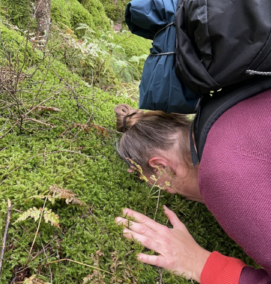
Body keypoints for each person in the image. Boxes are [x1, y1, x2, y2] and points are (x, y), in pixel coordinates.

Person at [113, 90, 271, 284]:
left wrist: (199, 263)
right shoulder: (222, 109)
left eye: (162, 188)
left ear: (162, 166)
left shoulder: (222, 175)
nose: (172, 193)